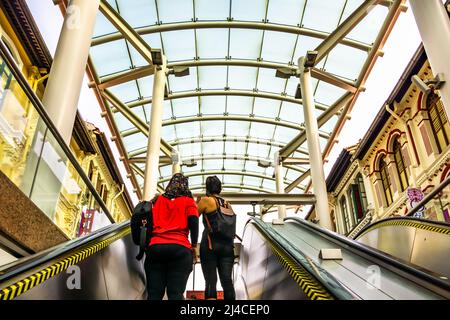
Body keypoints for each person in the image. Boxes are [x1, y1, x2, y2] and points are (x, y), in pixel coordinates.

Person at [144, 173, 199, 300]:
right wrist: (194, 245)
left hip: (155, 248)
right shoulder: (188, 201)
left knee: (154, 294)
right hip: (180, 249)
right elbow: (194, 222)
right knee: (175, 294)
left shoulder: (157, 201)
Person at [197, 176, 236, 300]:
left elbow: (193, 215)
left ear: (207, 188)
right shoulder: (227, 204)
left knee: (210, 281)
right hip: (228, 247)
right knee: (227, 282)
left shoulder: (206, 200)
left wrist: (196, 202)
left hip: (210, 245)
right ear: (220, 188)